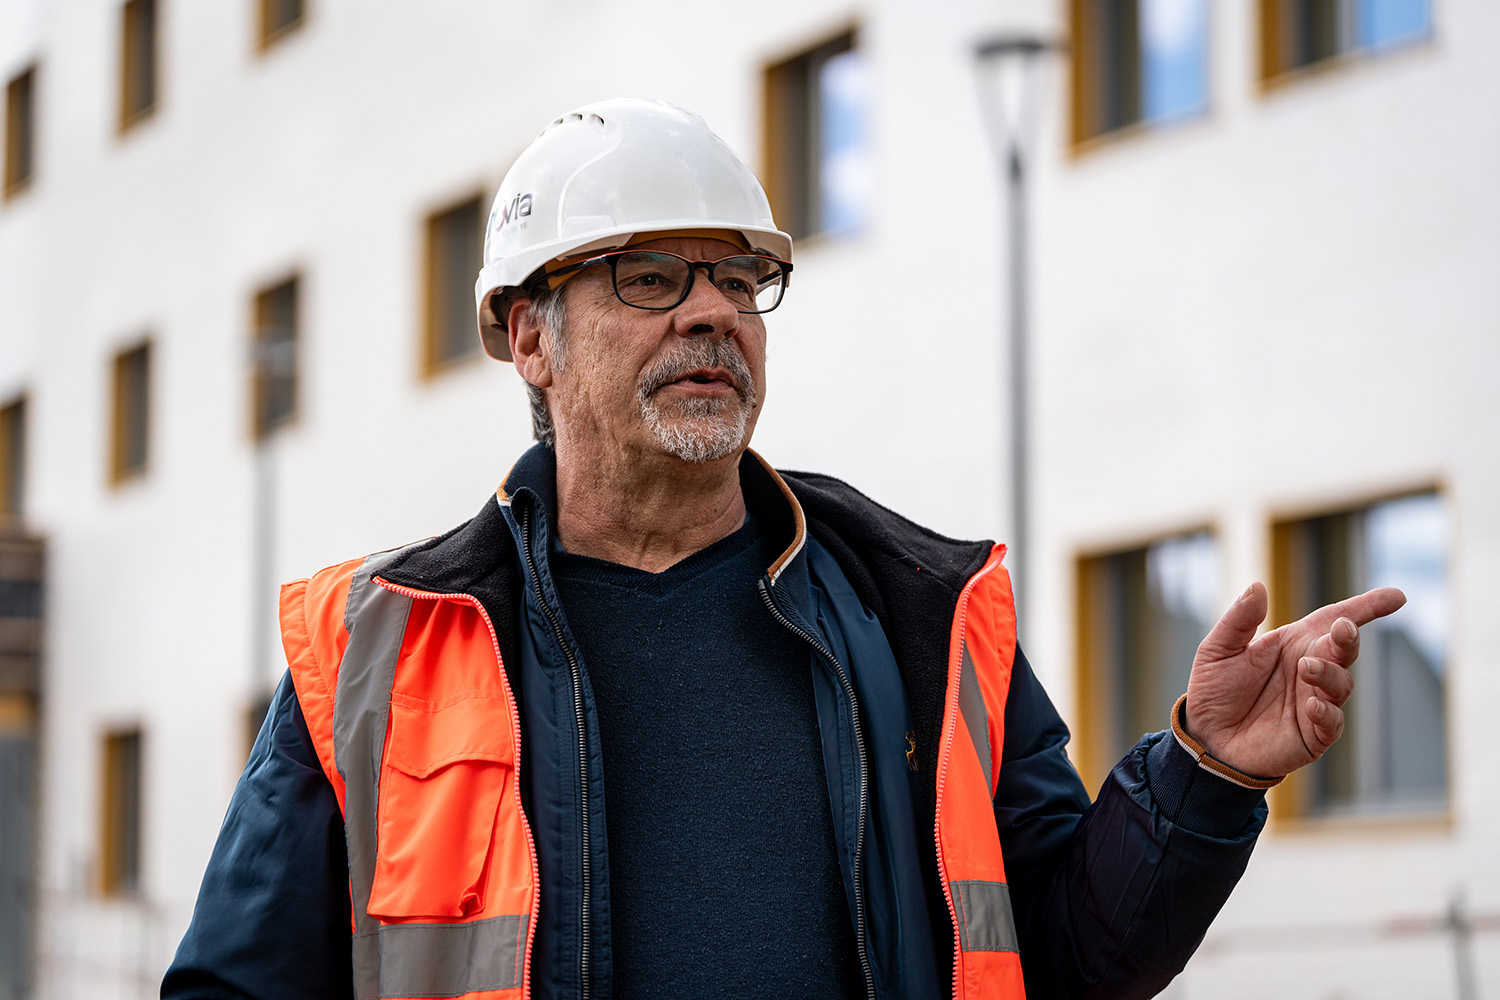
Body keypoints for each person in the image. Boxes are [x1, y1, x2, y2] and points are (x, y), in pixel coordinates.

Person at [162, 99, 1405, 1000]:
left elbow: (1065, 958)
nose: (712, 310)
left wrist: (1205, 774)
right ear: (526, 334)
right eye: (648, 276)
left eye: (739, 280)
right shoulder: (373, 651)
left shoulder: (922, 609)